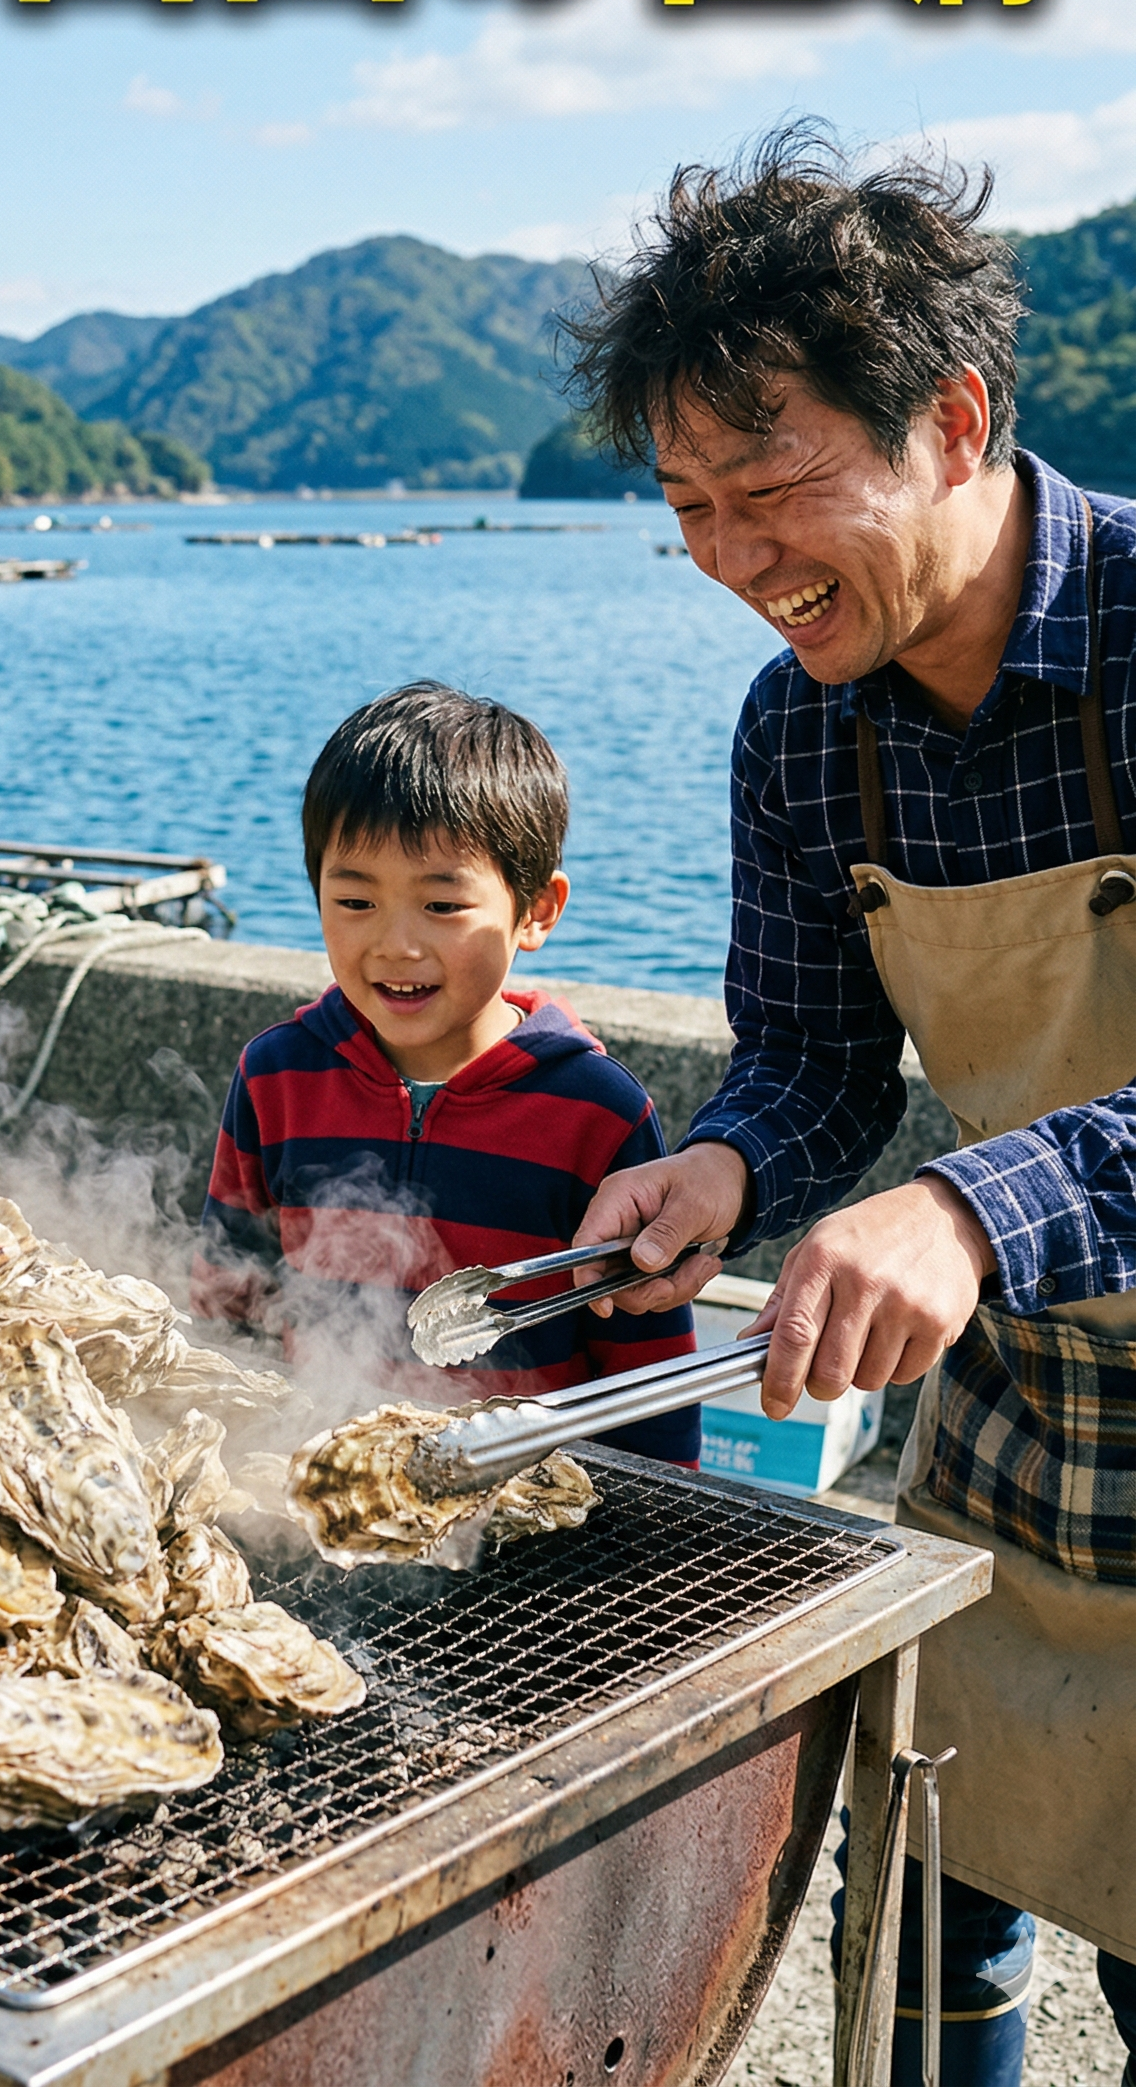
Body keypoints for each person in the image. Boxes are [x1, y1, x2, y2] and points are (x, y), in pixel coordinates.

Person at [564, 125, 1136, 2087]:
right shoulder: (796, 730)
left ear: (950, 419)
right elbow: (813, 1063)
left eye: (765, 484)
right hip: (1009, 1430)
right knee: (915, 1943)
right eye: (684, 505)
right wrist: (725, 1164)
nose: (728, 559)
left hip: (1015, 1309)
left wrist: (967, 1212)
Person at [194, 679, 699, 1460]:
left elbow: (646, 1366)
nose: (397, 945)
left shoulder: (597, 1111)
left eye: (442, 906)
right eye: (355, 902)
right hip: (320, 1481)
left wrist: (658, 1527)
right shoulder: (277, 1074)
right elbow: (228, 1291)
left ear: (536, 911)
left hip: (531, 1511)